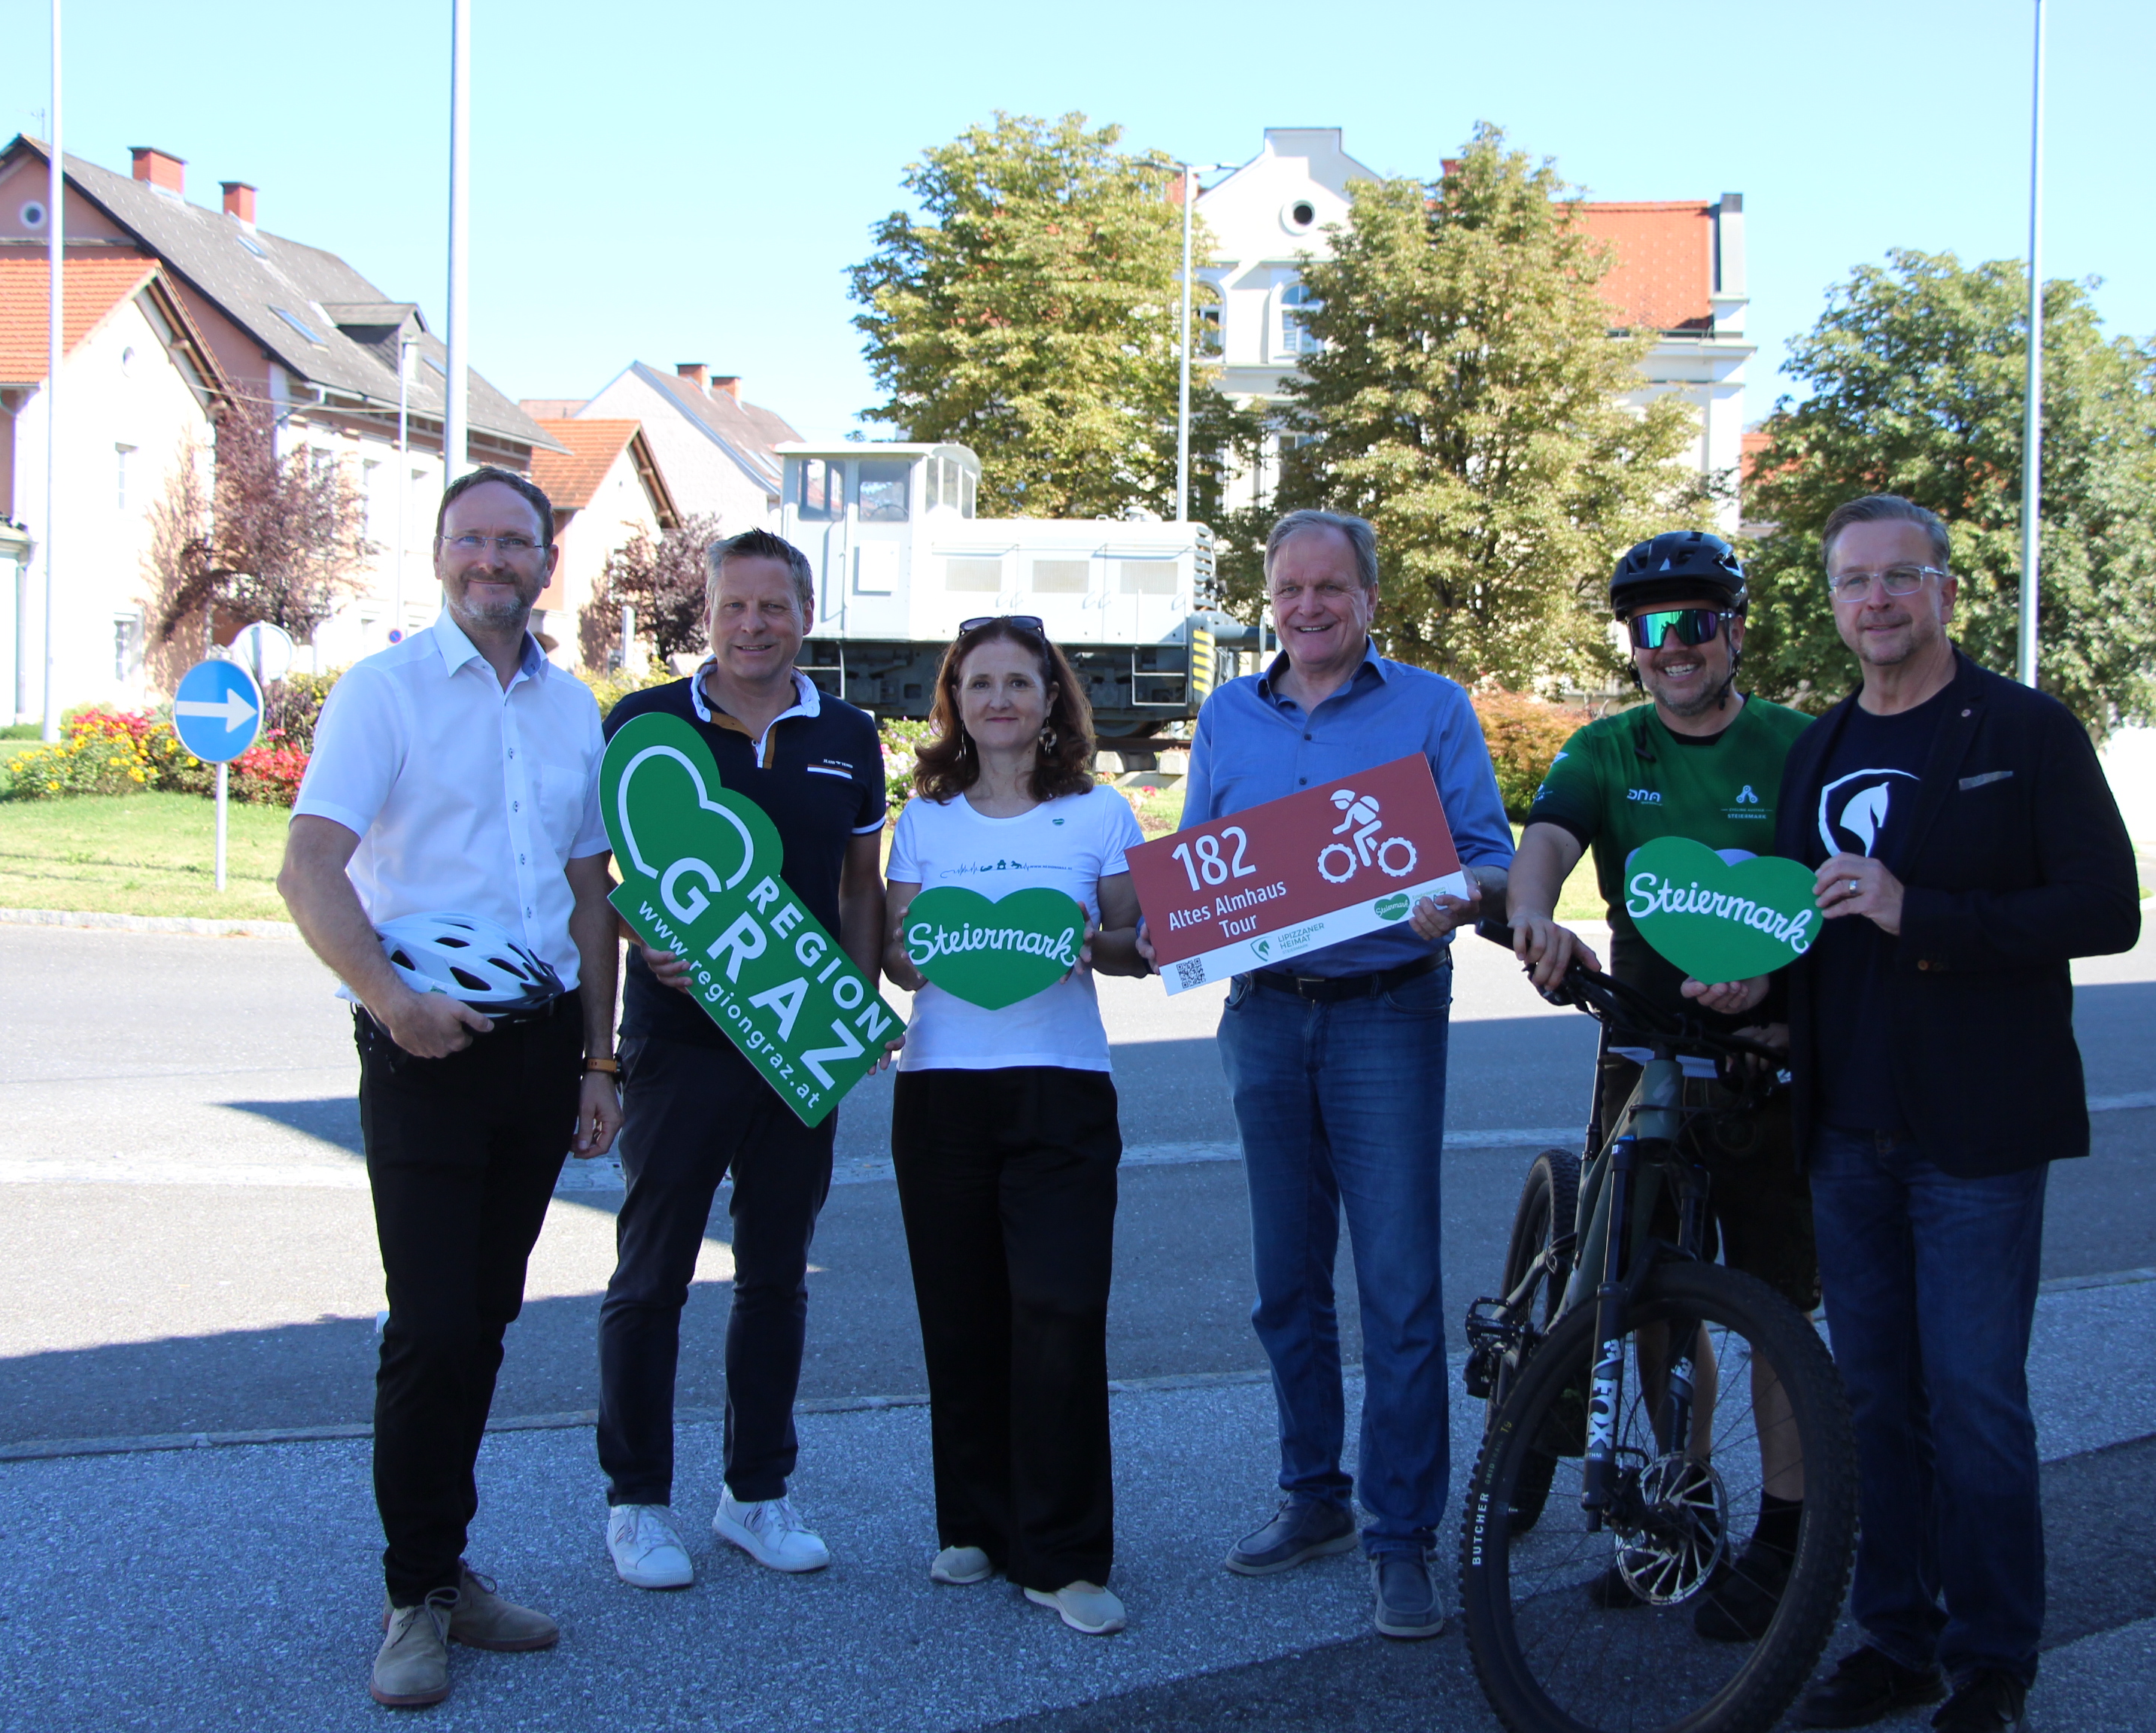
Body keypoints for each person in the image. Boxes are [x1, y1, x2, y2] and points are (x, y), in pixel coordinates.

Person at [1775, 496, 2139, 1733]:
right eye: (1853, 581)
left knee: (1975, 1401)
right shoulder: (1819, 746)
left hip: (1976, 1130)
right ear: (1834, 603)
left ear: (1943, 590)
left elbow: (2105, 909)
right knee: (1875, 1401)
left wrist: (1915, 911)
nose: (1875, 600)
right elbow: (1804, 923)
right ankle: (1896, 1638)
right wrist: (1748, 982)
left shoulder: (2025, 730)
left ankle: (1992, 1660)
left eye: (1899, 577)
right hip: (1844, 1127)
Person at [278, 465, 621, 1709]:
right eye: (470, 539)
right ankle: (413, 1595)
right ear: (439, 555)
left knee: (483, 1317)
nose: (492, 560)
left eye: (514, 542)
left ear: (545, 565)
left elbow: (590, 897)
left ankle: (449, 1568)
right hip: (424, 1048)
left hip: (540, 1050)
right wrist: (391, 1003)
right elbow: (308, 868)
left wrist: (599, 1060)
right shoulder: (385, 694)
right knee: (429, 1324)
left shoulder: (573, 709)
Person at [1167, 508, 1513, 1642]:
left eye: (1330, 588)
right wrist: (1162, 920)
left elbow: (1492, 855)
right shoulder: (1227, 713)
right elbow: (1200, 870)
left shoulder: (1433, 707)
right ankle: (1313, 1495)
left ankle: (1401, 1534)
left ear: (1369, 599)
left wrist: (1458, 893)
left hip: (1387, 1014)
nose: (1307, 607)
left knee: (1399, 1288)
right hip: (1265, 1017)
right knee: (1285, 1282)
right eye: (1289, 589)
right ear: (1269, 599)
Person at [1503, 529, 1820, 1640]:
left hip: (1766, 1047)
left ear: (1734, 630)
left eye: (1694, 622)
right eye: (1649, 627)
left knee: (1776, 1309)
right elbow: (1547, 844)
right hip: (1643, 1043)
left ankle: (1784, 1540)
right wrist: (1534, 915)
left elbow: (1835, 889)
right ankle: (1681, 1509)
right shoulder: (1608, 747)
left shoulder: (1799, 745)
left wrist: (1778, 991)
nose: (1672, 646)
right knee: (1647, 1298)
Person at [594, 529, 889, 1590]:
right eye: (735, 606)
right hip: (678, 1046)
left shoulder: (849, 735)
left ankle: (755, 1493)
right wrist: (642, 940)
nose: (754, 626)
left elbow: (859, 887)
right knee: (652, 1276)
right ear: (707, 613)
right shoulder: (645, 724)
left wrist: (857, 1011)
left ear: (805, 614)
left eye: (774, 607)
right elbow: (601, 876)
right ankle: (637, 1504)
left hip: (799, 1040)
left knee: (775, 1275)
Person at [880, 616, 1149, 1636]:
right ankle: (976, 1525)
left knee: (1061, 1311)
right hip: (942, 1088)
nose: (999, 700)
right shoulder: (926, 821)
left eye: (1019, 683)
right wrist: (919, 951)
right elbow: (899, 956)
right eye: (979, 683)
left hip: (1062, 1087)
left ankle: (1065, 1555)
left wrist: (1089, 939)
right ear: (955, 701)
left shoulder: (1099, 813)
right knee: (961, 1315)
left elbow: (1133, 942)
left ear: (1050, 701)